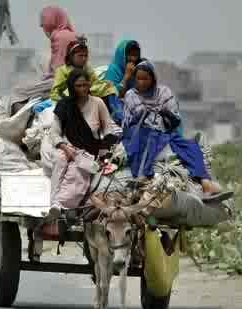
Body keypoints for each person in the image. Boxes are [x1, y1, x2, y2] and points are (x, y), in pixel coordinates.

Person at [122, 60, 231, 199]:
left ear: (153, 79)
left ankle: (205, 182)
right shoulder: (131, 94)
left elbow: (174, 117)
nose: (142, 82)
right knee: (146, 139)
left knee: (190, 146)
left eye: (145, 79)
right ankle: (143, 175)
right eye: (138, 78)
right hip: (138, 131)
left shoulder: (164, 92)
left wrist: (165, 112)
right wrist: (150, 112)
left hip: (163, 132)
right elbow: (135, 115)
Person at [46, 69, 122, 221]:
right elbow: (54, 132)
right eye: (78, 85)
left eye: (85, 85)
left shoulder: (97, 103)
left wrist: (104, 152)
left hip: (88, 150)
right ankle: (54, 204)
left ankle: (61, 205)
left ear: (89, 85)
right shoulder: (64, 105)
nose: (82, 89)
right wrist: (65, 147)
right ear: (72, 86)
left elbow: (108, 129)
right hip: (66, 147)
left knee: (77, 174)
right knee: (60, 163)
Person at [49, 37, 117, 102]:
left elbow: (96, 83)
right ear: (71, 56)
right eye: (80, 55)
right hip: (70, 100)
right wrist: (65, 101)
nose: (84, 58)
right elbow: (54, 93)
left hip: (88, 98)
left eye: (86, 56)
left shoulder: (87, 68)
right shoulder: (62, 71)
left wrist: (106, 84)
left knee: (110, 90)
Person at [40, 5, 77, 79]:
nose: (41, 26)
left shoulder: (61, 37)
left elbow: (59, 68)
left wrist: (49, 75)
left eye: (43, 22)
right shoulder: (67, 34)